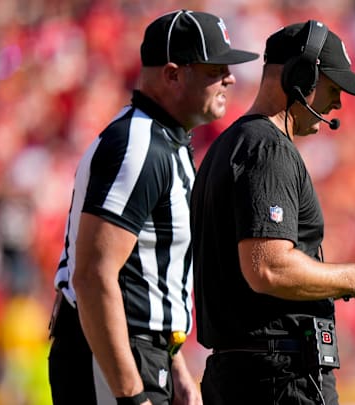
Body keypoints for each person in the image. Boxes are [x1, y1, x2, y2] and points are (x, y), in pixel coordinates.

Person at [191, 20, 355, 405]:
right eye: (332, 87)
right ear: (300, 77)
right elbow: (268, 267)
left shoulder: (230, 145)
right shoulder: (268, 148)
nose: (338, 103)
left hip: (247, 375)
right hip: (278, 378)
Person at [47, 9, 258, 405]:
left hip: (138, 355)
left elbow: (144, 276)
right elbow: (93, 275)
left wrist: (174, 364)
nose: (229, 78)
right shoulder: (138, 143)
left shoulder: (167, 143)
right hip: (111, 358)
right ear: (173, 74)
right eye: (214, 68)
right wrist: (131, 393)